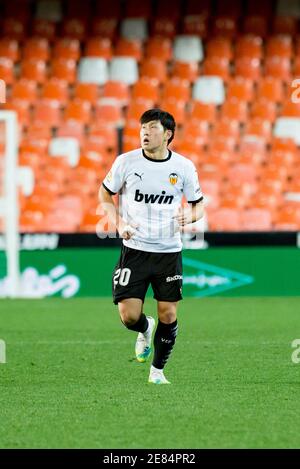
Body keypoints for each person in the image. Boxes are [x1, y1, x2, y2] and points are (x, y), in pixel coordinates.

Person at [99, 109, 204, 384]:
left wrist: (191, 216)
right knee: (128, 316)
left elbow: (198, 205)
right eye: (143, 127)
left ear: (167, 134)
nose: (145, 132)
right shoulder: (126, 162)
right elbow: (105, 192)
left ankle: (157, 371)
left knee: (168, 312)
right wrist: (118, 222)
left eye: (152, 128)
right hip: (134, 249)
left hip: (168, 251)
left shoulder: (183, 167)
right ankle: (145, 329)